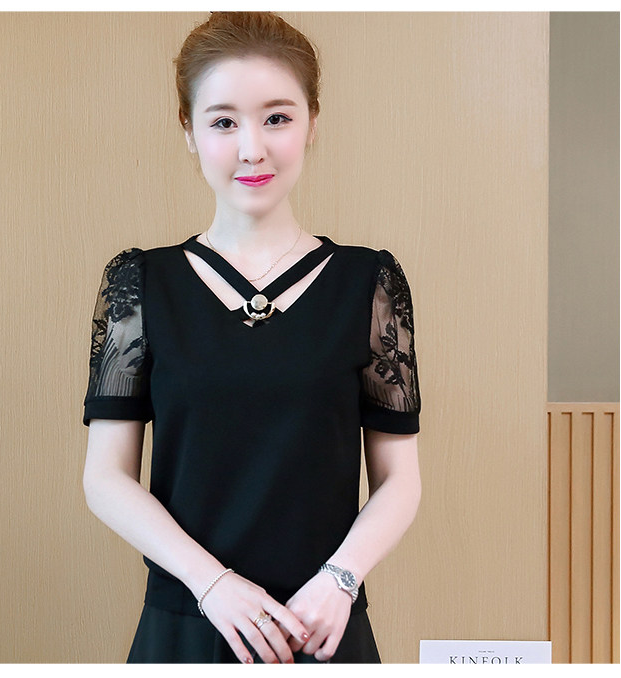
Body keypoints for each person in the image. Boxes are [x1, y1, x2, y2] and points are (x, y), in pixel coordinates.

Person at [81, 11, 421, 664]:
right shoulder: (139, 283)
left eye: (277, 118)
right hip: (188, 621)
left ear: (312, 122)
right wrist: (213, 585)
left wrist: (340, 579)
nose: (252, 149)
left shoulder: (370, 283)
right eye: (223, 122)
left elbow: (399, 480)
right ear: (188, 129)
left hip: (320, 625)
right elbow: (105, 478)